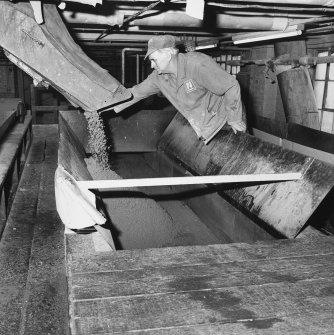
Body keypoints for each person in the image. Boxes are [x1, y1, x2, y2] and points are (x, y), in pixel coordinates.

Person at [113, 35, 246, 144]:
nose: (152, 65)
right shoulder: (158, 78)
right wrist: (107, 105)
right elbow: (135, 93)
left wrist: (235, 119)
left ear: (168, 54)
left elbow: (231, 86)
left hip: (227, 118)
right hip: (205, 125)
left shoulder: (196, 64)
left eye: (154, 60)